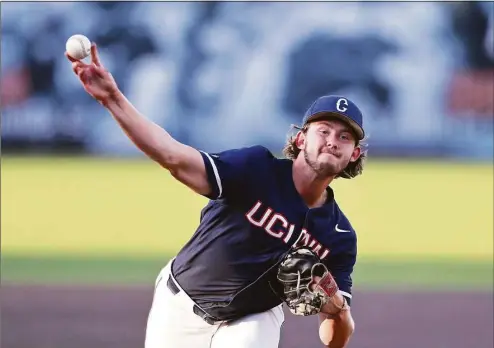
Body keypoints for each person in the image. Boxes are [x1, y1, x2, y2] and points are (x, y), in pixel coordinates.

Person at [66, 43, 367, 348]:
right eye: (324, 130)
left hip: (253, 318)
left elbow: (335, 340)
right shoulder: (256, 170)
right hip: (180, 304)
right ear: (301, 138)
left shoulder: (338, 236)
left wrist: (336, 307)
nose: (332, 141)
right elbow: (175, 158)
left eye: (345, 137)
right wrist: (112, 99)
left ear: (354, 154)